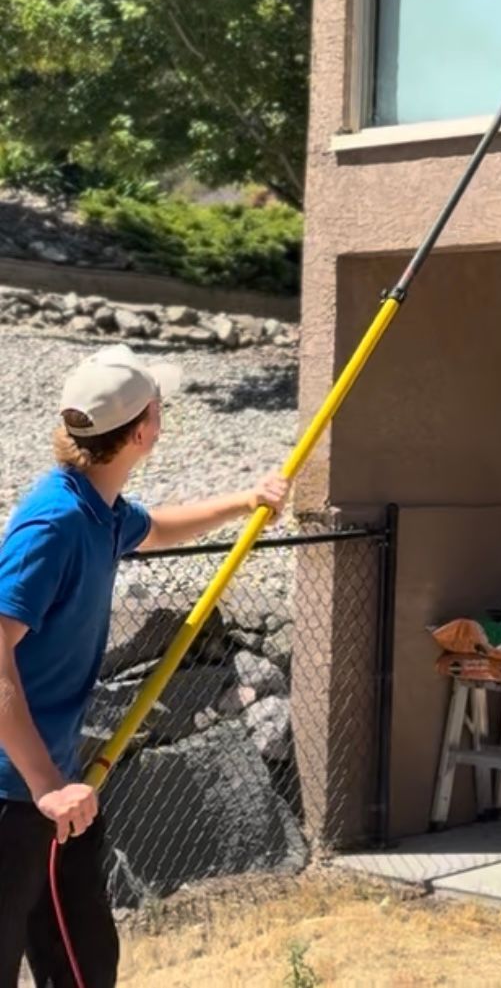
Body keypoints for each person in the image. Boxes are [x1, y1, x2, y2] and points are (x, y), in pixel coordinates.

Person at [0, 343, 289, 988]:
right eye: (159, 408)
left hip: (54, 790)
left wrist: (247, 500)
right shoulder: (53, 524)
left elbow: (155, 527)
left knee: (83, 964)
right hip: (16, 792)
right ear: (140, 433)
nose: (163, 417)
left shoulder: (98, 509)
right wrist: (46, 786)